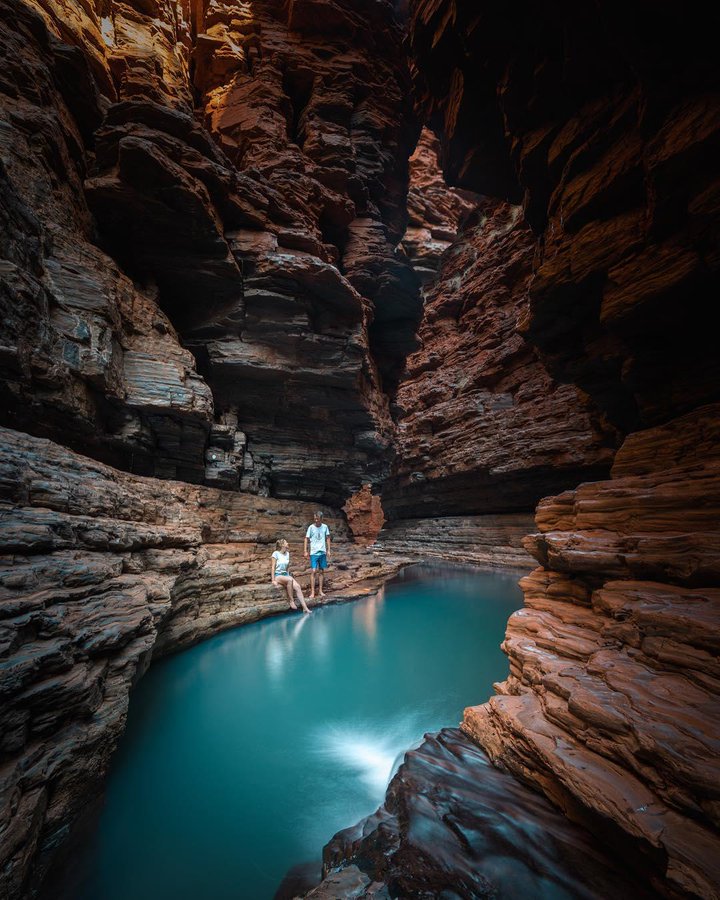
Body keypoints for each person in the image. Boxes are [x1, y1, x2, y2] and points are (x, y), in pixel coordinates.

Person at [271, 539, 311, 613]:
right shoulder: (275, 553)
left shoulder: (287, 554)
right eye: (286, 542)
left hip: (285, 575)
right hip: (278, 575)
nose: (288, 543)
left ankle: (305, 608)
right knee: (290, 580)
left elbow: (287, 567)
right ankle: (291, 601)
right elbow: (273, 567)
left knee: (297, 586)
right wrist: (273, 580)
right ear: (282, 545)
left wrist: (288, 575)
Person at [304, 511, 331, 599]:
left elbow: (328, 538)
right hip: (314, 552)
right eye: (315, 518)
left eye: (318, 519)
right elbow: (306, 539)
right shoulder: (311, 527)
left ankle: (320, 590)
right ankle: (312, 592)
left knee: (321, 570)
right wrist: (305, 551)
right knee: (314, 571)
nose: (316, 520)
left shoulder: (325, 527)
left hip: (322, 551)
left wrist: (328, 550)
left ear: (321, 519)